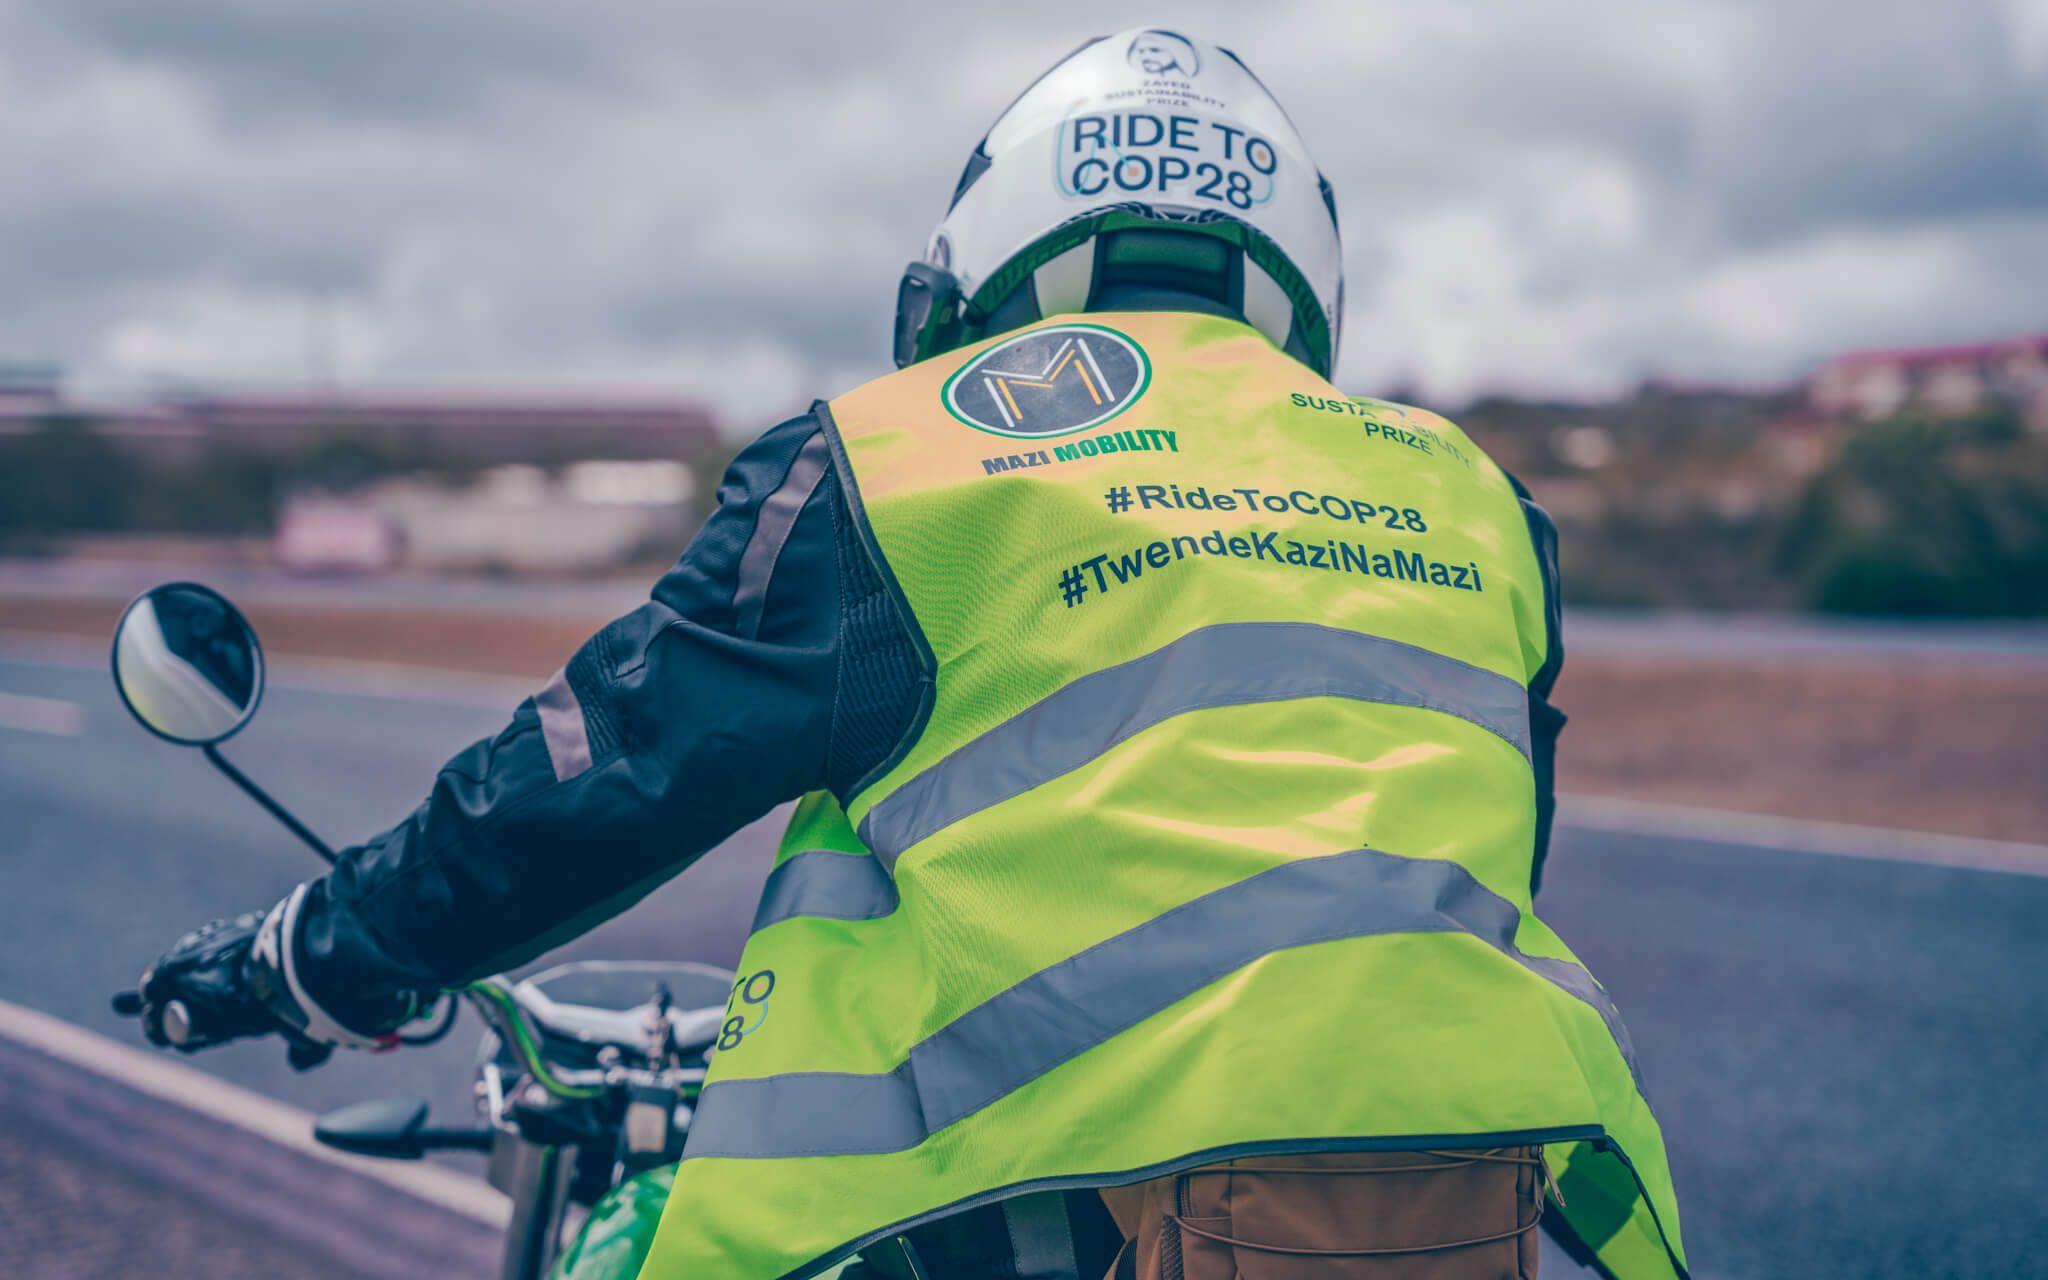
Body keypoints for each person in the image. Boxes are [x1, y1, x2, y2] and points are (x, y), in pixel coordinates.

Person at [121, 28, 1687, 1280]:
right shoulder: (1476, 500)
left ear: (981, 262)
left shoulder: (903, 453)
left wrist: (317, 952)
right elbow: (1477, 847)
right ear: (1301, 279)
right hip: (1456, 1206)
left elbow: (601, 777)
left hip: (1039, 1212)